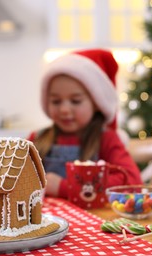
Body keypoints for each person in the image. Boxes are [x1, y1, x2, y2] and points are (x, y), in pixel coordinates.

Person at [28, 49, 143, 198]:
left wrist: (65, 187)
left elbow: (132, 183)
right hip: (45, 220)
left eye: (76, 101)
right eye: (56, 101)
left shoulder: (106, 140)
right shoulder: (37, 139)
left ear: (96, 103)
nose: (64, 109)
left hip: (93, 220)